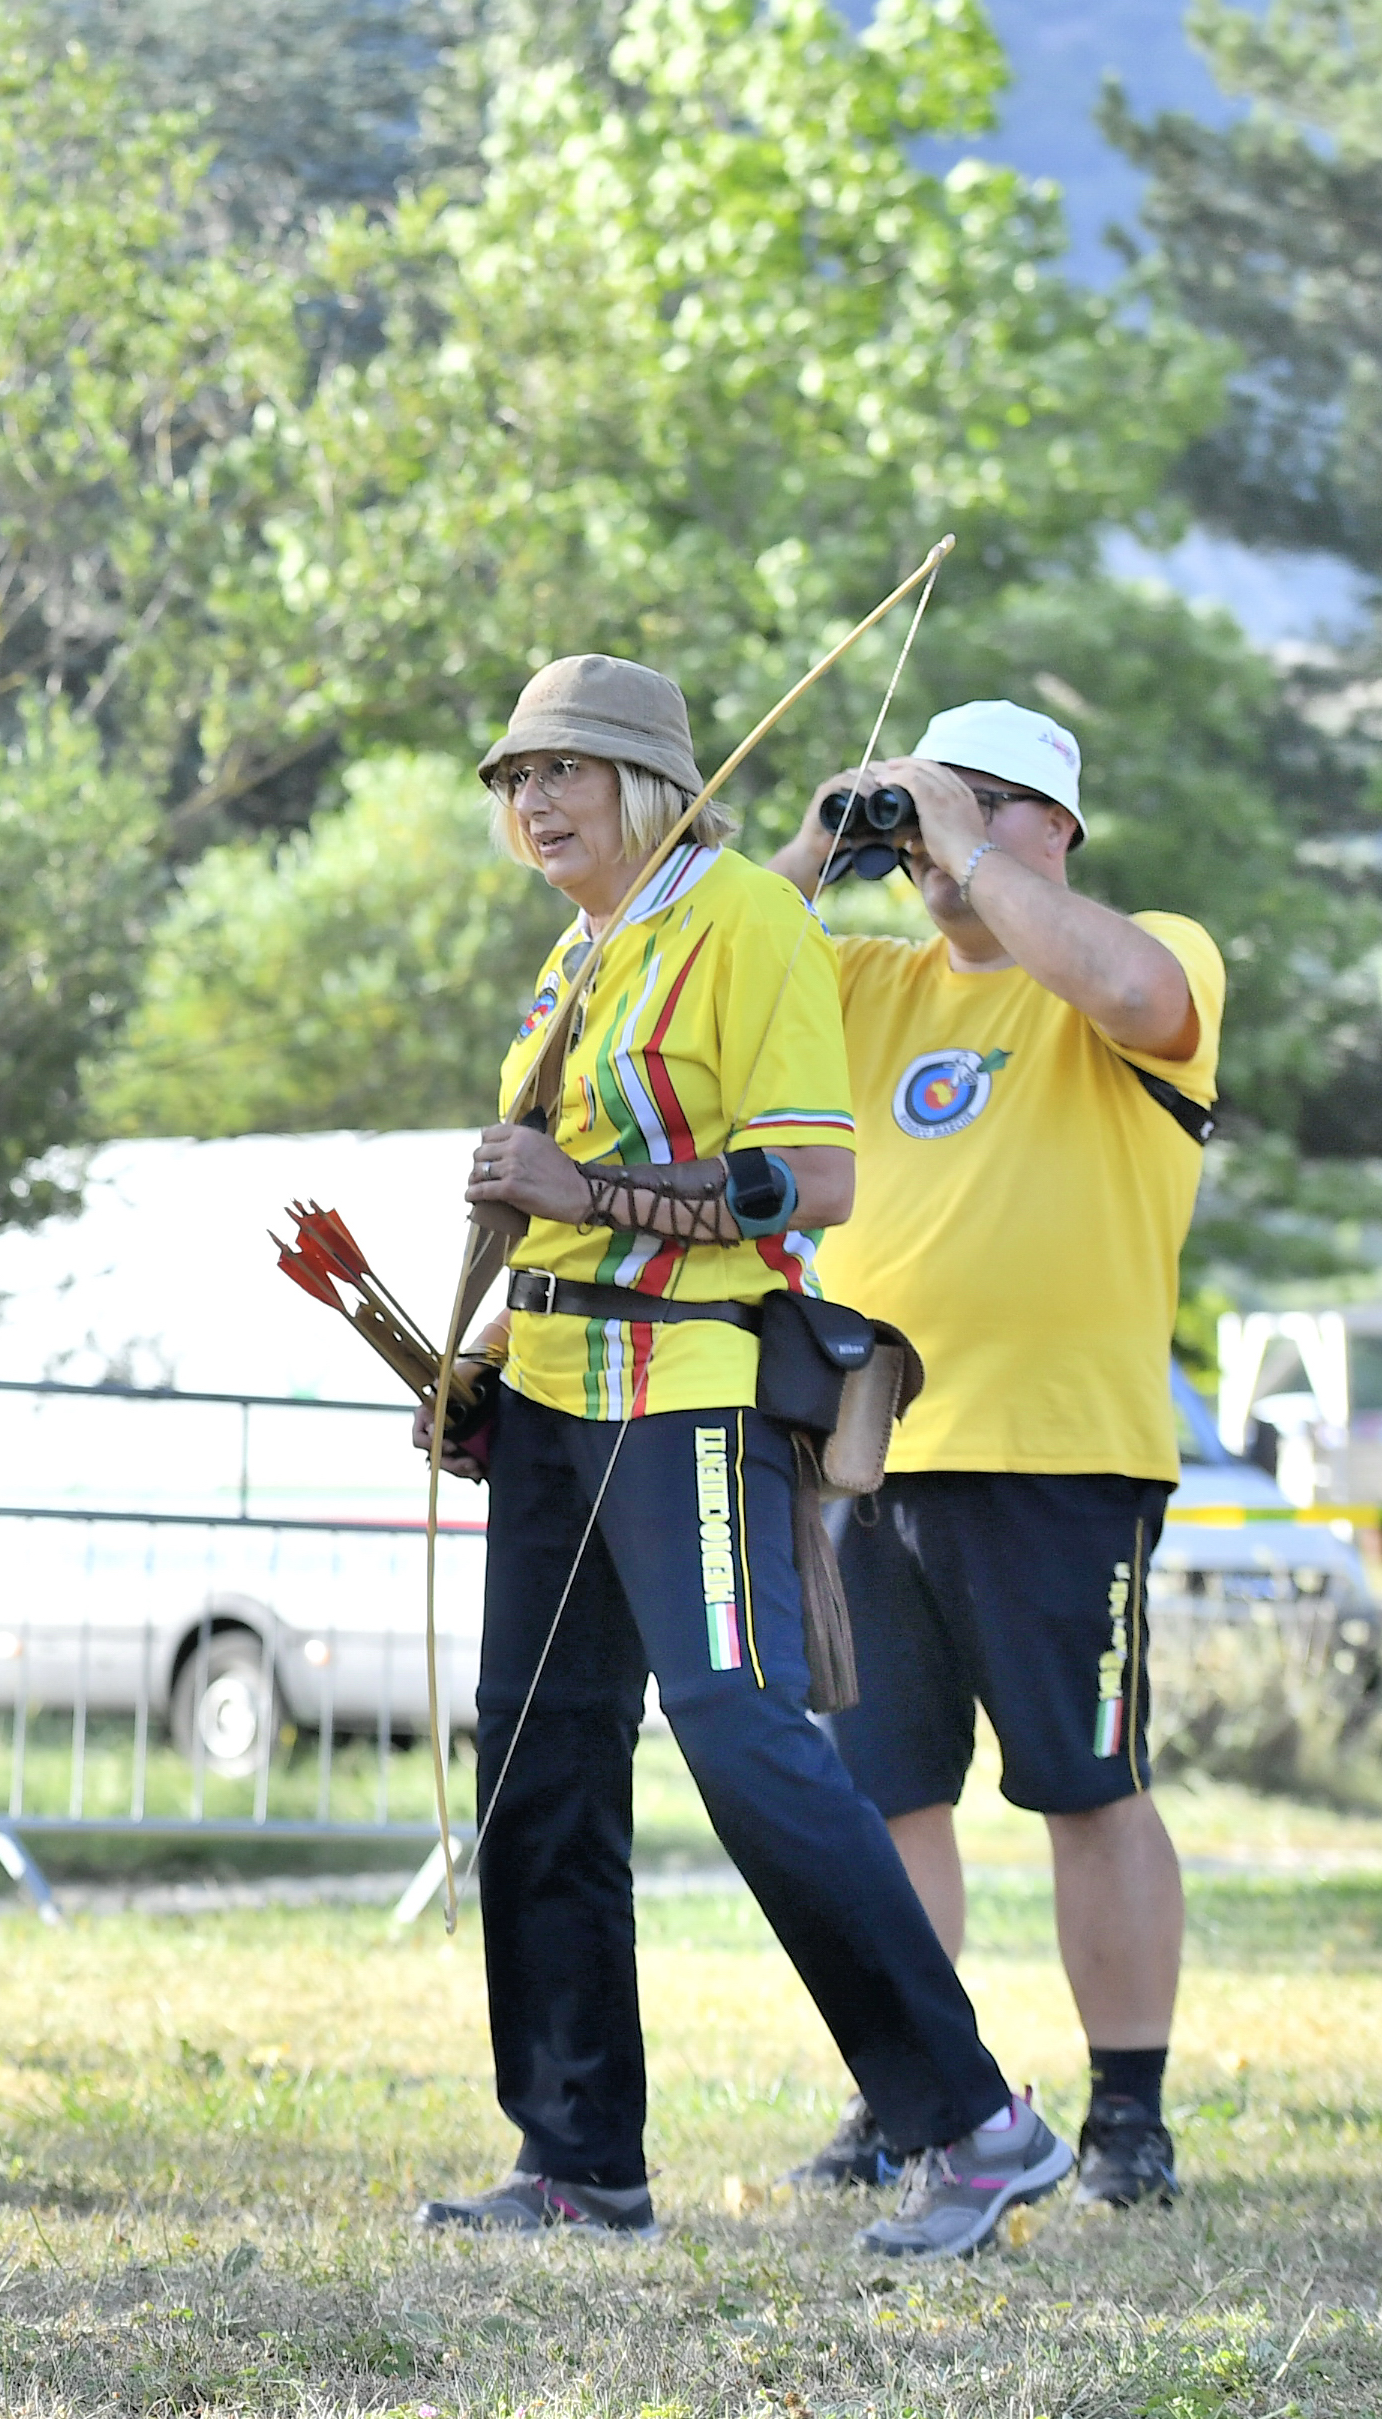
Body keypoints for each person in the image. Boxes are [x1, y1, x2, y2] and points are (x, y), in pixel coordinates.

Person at [415, 654, 1071, 2259]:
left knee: (741, 1733)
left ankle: (975, 2125)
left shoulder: (746, 924)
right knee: (538, 1757)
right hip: (561, 1392)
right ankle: (579, 2162)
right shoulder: (584, 951)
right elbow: (551, 1195)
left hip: (691, 1391)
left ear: (651, 784)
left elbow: (805, 1187)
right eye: (515, 779)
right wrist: (484, 1362)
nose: (536, 801)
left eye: (569, 770)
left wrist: (584, 1197)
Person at [765, 701, 1222, 2208]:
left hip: (1060, 1456)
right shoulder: (868, 981)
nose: (946, 829)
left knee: (1086, 1785)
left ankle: (1129, 2116)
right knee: (885, 1797)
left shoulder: (1145, 952)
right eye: (930, 802)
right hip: (871, 1451)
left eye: (989, 803)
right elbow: (708, 984)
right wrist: (826, 838)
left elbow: (1137, 994)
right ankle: (920, 2095)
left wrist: (958, 835)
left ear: (1058, 829)